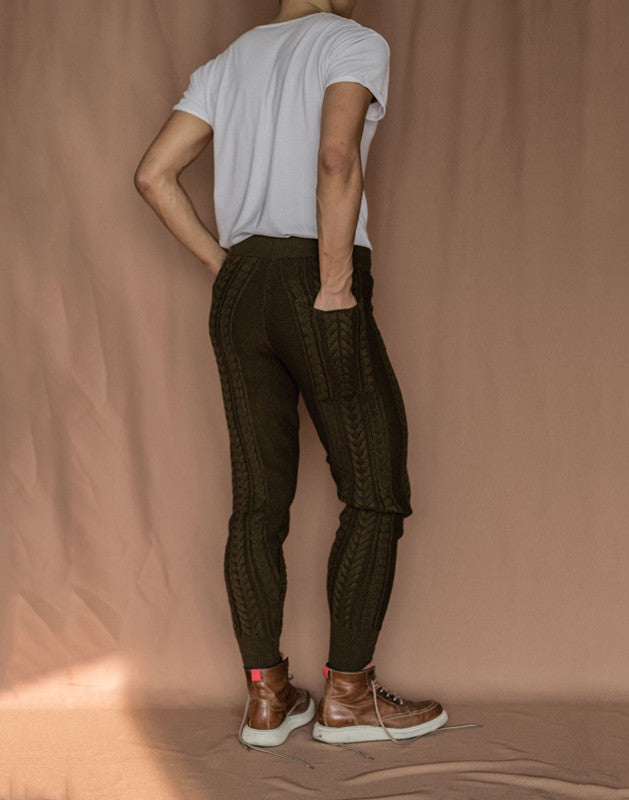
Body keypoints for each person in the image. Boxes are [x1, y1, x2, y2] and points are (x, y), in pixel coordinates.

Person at [134, 0, 449, 765]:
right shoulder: (352, 42)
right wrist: (334, 286)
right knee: (375, 487)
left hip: (241, 286)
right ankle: (349, 696)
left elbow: (153, 175)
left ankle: (268, 697)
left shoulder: (231, 60)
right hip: (317, 273)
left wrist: (227, 266)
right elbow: (336, 157)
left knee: (257, 502)